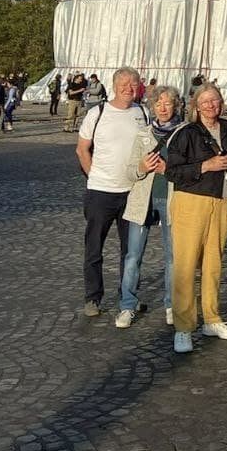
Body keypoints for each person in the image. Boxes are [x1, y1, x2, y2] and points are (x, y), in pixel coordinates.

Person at [166, 83, 227, 352]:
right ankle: (183, 327)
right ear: (196, 106)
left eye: (216, 100)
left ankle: (211, 318)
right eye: (206, 101)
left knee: (214, 264)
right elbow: (172, 171)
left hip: (222, 201)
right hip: (191, 201)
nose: (212, 105)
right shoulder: (185, 134)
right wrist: (205, 166)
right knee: (185, 266)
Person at [77, 67, 157, 317]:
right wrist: (94, 176)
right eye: (123, 83)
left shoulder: (143, 112)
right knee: (94, 248)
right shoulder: (97, 112)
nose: (128, 88)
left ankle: (128, 297)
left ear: (139, 87)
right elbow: (82, 149)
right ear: (113, 85)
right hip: (100, 191)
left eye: (133, 84)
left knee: (131, 251)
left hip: (133, 192)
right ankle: (93, 298)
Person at [119, 84, 185, 327]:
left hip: (172, 200)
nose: (163, 108)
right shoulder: (143, 135)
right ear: (152, 107)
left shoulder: (184, 133)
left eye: (168, 103)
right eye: (159, 104)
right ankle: (127, 305)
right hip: (142, 202)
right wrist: (141, 168)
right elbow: (129, 171)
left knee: (172, 257)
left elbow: (189, 170)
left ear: (176, 105)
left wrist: (168, 170)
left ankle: (171, 304)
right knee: (133, 256)